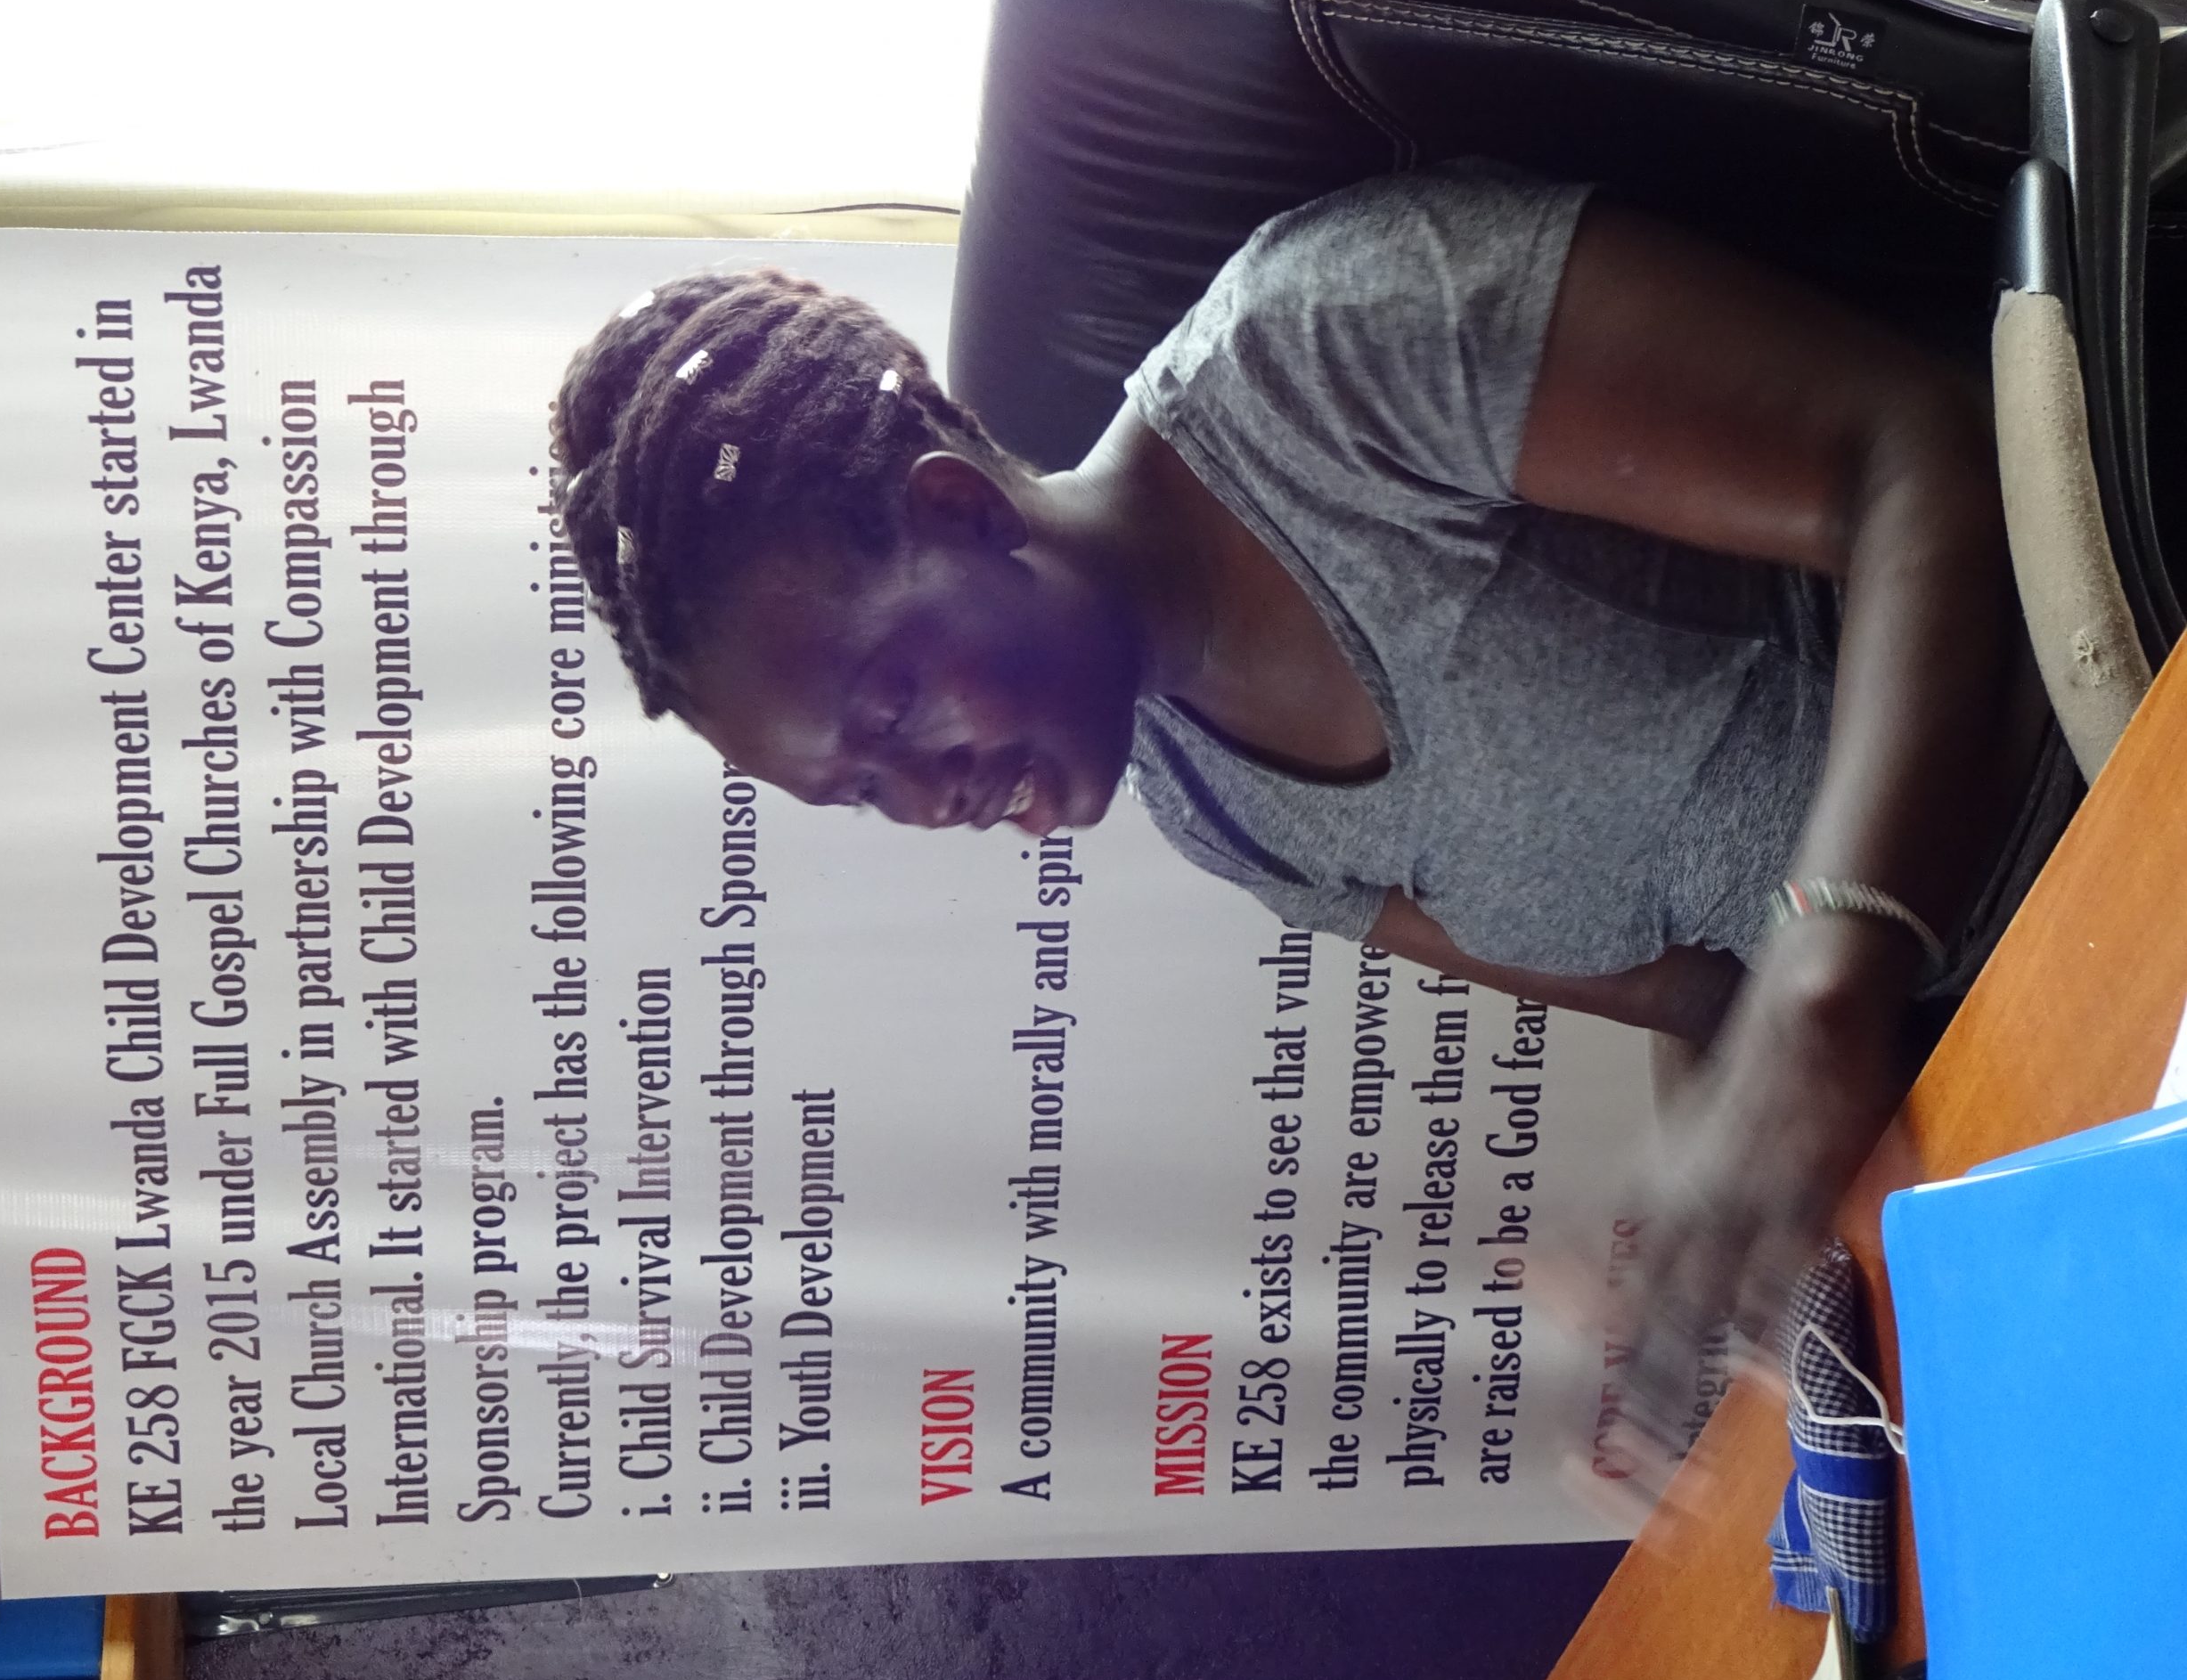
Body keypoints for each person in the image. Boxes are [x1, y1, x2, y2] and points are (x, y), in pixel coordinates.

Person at [551, 162, 2075, 1448]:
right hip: (2017, 1029)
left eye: (890, 712)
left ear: (958, 509)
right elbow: (1701, 991)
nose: (920, 798)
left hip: (2109, 732)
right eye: (862, 794)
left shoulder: (1319, 356)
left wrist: (1823, 992)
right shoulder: (1211, 809)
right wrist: (1708, 1250)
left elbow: (1917, 451)